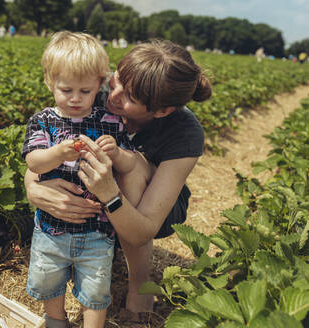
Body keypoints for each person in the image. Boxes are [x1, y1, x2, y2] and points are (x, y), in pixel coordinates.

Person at [24, 39, 212, 324]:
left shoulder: (185, 132)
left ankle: (139, 281)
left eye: (130, 98)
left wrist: (109, 193)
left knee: (132, 169)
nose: (113, 95)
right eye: (117, 80)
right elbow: (46, 145)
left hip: (152, 204)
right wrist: (33, 187)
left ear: (161, 111)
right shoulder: (93, 89)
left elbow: (144, 229)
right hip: (96, 190)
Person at [22, 31, 143, 328]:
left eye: (85, 92)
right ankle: (55, 319)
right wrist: (58, 153)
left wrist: (115, 153)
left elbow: (130, 162)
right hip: (51, 227)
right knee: (48, 276)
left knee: (96, 284)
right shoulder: (43, 121)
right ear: (50, 82)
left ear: (99, 85)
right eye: (66, 90)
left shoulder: (110, 123)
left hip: (97, 229)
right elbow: (33, 161)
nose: (75, 98)